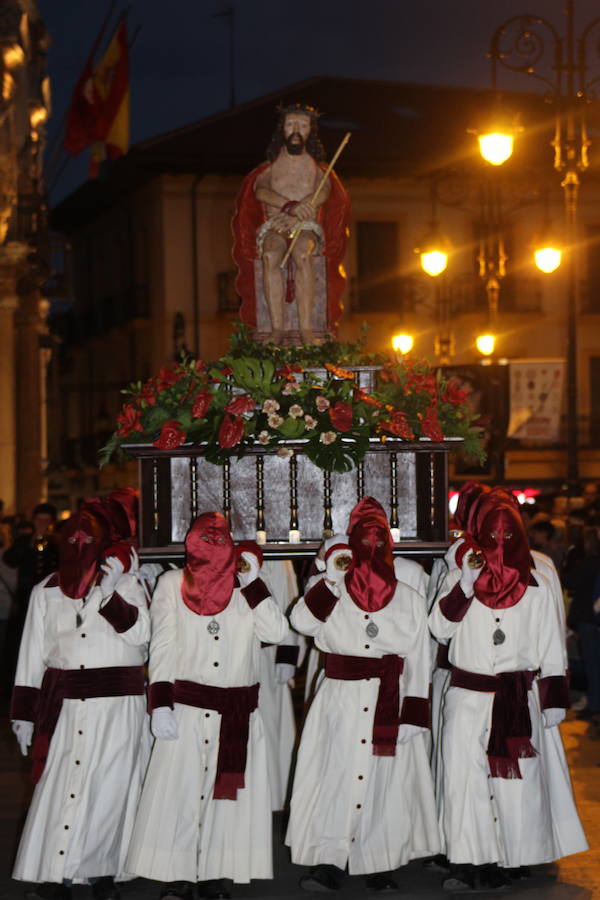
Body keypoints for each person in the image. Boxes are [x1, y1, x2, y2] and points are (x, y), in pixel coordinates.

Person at [126, 513, 289, 900]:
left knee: (225, 799)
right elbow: (162, 644)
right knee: (180, 793)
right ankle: (178, 873)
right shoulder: (171, 583)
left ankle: (216, 871)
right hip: (188, 705)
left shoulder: (246, 587)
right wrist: (160, 704)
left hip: (236, 710)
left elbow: (277, 632)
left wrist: (252, 584)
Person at [429, 493, 586, 892]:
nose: (500, 538)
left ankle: (511, 855)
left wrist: (553, 696)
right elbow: (439, 629)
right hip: (468, 694)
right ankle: (467, 860)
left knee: (517, 783)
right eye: (492, 531)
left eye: (507, 530)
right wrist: (464, 585)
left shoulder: (538, 579)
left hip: (518, 695)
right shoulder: (457, 575)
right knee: (463, 781)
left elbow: (552, 639)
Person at [286, 497, 440, 892]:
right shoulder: (328, 587)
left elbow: (421, 656)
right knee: (331, 777)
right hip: (339, 698)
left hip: (390, 698)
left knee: (384, 783)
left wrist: (414, 714)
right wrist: (332, 582)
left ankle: (379, 861)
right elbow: (301, 622)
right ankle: (327, 859)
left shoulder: (409, 594)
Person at [10, 508, 151, 900]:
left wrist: (109, 592)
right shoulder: (46, 591)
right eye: (73, 541)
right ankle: (57, 875)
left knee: (110, 787)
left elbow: (142, 636)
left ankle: (103, 870)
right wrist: (23, 715)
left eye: (87, 541)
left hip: (117, 706)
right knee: (61, 786)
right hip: (66, 704)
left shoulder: (126, 586)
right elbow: (31, 656)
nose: (80, 547)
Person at [232, 103, 350, 344]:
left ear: (310, 132)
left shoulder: (318, 169)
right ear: (282, 130)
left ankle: (307, 329)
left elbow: (323, 191)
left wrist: (302, 210)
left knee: (303, 254)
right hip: (275, 225)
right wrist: (290, 207)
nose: (296, 129)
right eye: (290, 124)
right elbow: (261, 191)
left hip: (305, 228)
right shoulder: (269, 168)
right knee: (270, 255)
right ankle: (276, 329)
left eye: (302, 125)